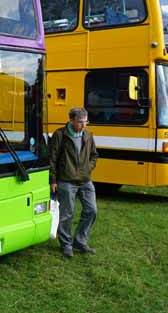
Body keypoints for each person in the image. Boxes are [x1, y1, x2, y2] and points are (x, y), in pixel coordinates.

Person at [49, 107, 98, 258]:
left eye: (86, 122)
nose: (84, 125)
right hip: (66, 181)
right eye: (80, 122)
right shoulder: (59, 135)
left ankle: (80, 241)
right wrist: (53, 180)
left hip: (85, 180)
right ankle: (66, 245)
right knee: (67, 214)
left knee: (92, 210)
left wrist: (87, 169)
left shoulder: (88, 135)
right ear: (71, 121)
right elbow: (52, 159)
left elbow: (94, 155)